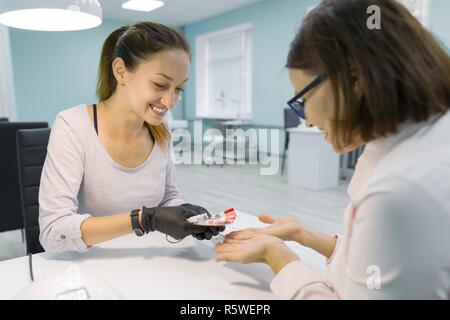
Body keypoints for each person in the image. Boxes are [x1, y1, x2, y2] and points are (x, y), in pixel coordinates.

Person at [214, 0, 450, 299]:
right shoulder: (407, 141)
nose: (308, 120)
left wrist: (278, 257)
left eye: (305, 99)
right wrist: (302, 235)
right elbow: (374, 269)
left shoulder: (401, 188)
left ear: (354, 79)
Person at [39, 22, 223, 253]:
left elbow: (168, 197)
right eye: (159, 84)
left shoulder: (161, 126)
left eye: (178, 89)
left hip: (149, 259)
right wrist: (142, 220)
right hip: (91, 267)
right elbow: (53, 233)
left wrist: (187, 215)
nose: (169, 101)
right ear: (121, 71)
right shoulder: (73, 125)